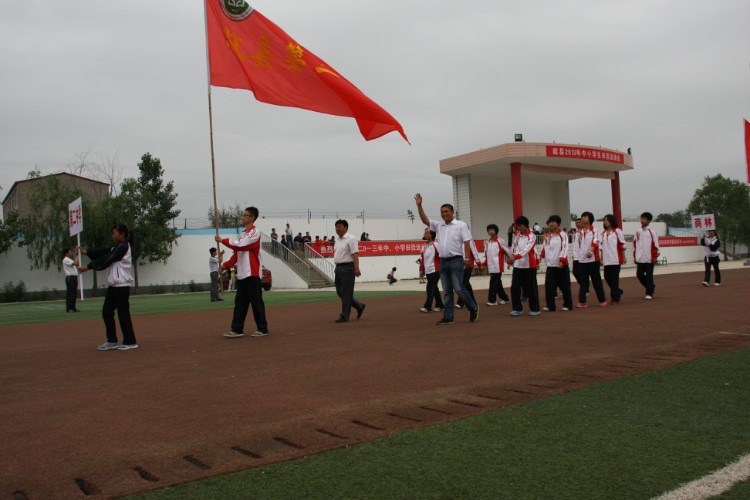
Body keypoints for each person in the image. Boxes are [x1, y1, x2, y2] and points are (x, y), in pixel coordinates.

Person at [415, 193, 478, 325]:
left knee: (459, 288)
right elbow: (425, 220)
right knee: (447, 291)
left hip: (456, 260)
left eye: (446, 211)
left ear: (452, 212)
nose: (444, 214)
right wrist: (419, 206)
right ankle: (448, 317)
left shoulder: (461, 225)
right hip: (443, 262)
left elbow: (467, 242)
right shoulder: (439, 226)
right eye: (442, 212)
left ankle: (472, 307)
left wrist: (466, 259)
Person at [77, 224, 138, 350]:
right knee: (107, 312)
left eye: (114, 233)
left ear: (122, 234)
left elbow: (108, 258)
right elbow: (105, 251)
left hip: (122, 285)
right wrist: (87, 252)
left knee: (123, 314)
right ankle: (112, 340)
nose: (113, 236)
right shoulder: (116, 246)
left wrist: (88, 267)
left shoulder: (123, 246)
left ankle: (130, 341)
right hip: (114, 286)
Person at [215, 206, 269, 338]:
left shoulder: (255, 233)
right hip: (242, 275)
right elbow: (236, 253)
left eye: (245, 215)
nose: (243, 217)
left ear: (252, 218)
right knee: (240, 303)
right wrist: (225, 266)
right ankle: (237, 329)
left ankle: (262, 328)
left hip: (253, 274)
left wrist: (223, 241)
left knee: (256, 303)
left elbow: (242, 245)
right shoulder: (243, 234)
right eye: (243, 215)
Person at [333, 219, 365, 323]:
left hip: (348, 268)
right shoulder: (338, 240)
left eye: (340, 226)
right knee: (340, 292)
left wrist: (356, 268)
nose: (338, 228)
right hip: (338, 268)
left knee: (346, 293)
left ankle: (344, 316)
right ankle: (359, 306)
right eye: (336, 226)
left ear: (346, 227)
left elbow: (355, 253)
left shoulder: (351, 239)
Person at [540, 215, 573, 312]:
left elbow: (565, 247)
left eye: (553, 222)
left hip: (561, 265)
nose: (551, 224)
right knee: (549, 286)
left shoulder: (563, 235)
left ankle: (568, 304)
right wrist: (539, 259)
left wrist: (562, 260)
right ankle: (550, 305)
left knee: (565, 286)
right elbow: (544, 249)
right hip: (550, 265)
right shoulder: (547, 237)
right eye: (549, 222)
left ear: (557, 223)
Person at [508, 216, 540, 316]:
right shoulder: (517, 236)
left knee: (531, 288)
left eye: (521, 226)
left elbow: (527, 250)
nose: (519, 228)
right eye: (518, 226)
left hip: (529, 266)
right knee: (515, 287)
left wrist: (515, 257)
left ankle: (535, 308)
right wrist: (511, 261)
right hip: (518, 266)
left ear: (526, 225)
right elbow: (513, 248)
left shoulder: (532, 236)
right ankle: (517, 308)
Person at [574, 211, 607, 308]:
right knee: (583, 281)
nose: (583, 218)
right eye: (582, 217)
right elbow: (576, 246)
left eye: (585, 217)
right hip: (582, 260)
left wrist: (591, 251)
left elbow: (596, 241)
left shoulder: (595, 230)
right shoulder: (578, 233)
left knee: (596, 280)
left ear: (590, 219)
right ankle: (582, 301)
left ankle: (602, 299)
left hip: (593, 260)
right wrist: (577, 258)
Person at [634, 211, 660, 300]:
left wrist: (655, 256)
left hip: (649, 258)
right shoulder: (638, 232)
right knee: (639, 274)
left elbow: (656, 244)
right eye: (641, 219)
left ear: (649, 220)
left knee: (649, 276)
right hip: (640, 258)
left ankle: (649, 293)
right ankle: (650, 286)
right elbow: (635, 244)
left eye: (644, 219)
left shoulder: (652, 232)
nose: (642, 221)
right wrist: (635, 256)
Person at [600, 214, 627, 304]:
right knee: (607, 277)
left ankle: (614, 298)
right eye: (604, 220)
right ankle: (617, 291)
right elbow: (601, 247)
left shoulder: (617, 231)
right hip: (607, 260)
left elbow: (622, 244)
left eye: (607, 220)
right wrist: (601, 258)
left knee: (614, 278)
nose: (605, 222)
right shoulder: (603, 234)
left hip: (616, 258)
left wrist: (624, 256)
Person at [482, 224, 511, 306]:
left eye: (492, 230)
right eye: (489, 230)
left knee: (493, 282)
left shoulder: (500, 241)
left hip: (498, 266)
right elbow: (486, 254)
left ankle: (492, 300)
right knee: (497, 283)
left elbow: (508, 251)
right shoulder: (488, 242)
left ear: (496, 231)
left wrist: (511, 260)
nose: (490, 231)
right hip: (491, 266)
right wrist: (484, 264)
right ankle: (505, 298)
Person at [419, 228, 444, 312]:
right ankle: (440, 305)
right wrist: (422, 270)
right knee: (434, 288)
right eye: (425, 233)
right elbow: (423, 259)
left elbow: (442, 256)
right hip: (428, 271)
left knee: (430, 287)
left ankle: (427, 306)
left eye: (427, 233)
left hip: (436, 270)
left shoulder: (436, 244)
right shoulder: (425, 246)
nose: (425, 235)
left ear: (432, 234)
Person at [455, 239, 480, 310]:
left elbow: (474, 252)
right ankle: (473, 301)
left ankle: (460, 302)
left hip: (468, 265)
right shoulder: (457, 240)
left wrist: (478, 263)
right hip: (459, 266)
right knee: (466, 284)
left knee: (462, 284)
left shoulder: (470, 241)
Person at [62, 248, 80, 313]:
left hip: (74, 278)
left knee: (74, 293)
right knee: (70, 293)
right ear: (66, 254)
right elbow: (75, 263)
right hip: (70, 278)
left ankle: (73, 307)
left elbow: (76, 264)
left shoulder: (69, 260)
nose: (71, 253)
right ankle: (69, 308)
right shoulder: (66, 260)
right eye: (70, 252)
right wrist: (78, 255)